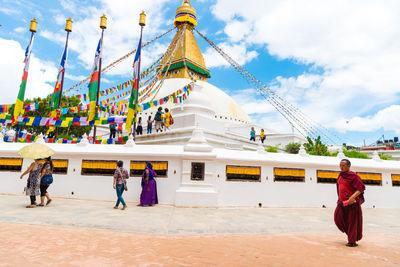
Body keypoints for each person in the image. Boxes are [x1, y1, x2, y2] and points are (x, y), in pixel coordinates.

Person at [334, 159, 366, 247]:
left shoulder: (353, 176)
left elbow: (361, 188)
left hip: (352, 203)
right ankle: (351, 234)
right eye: (340, 165)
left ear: (348, 166)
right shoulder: (340, 175)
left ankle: (352, 241)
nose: (341, 167)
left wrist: (352, 197)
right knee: (338, 218)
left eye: (343, 165)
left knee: (352, 222)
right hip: (342, 202)